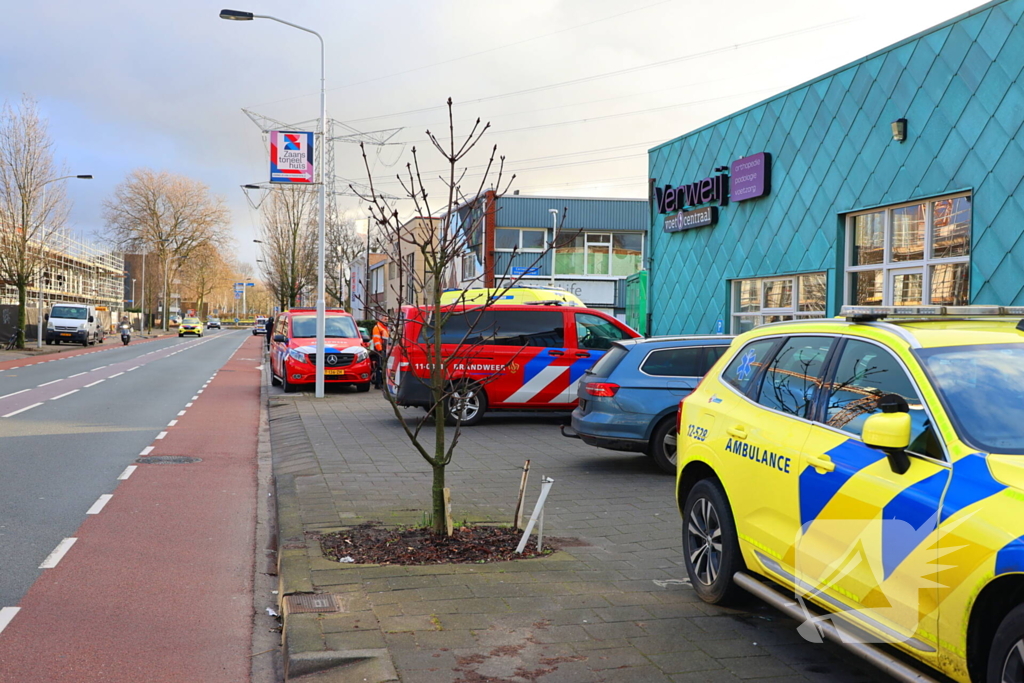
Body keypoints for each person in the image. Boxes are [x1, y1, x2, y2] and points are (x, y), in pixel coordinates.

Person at [370, 320, 389, 389]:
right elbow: (376, 340)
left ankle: (381, 383)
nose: (386, 320)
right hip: (380, 350)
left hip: (384, 350)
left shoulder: (385, 328)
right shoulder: (377, 327)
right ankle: (378, 383)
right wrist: (380, 350)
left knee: (382, 367)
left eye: (387, 319)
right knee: (380, 367)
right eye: (385, 319)